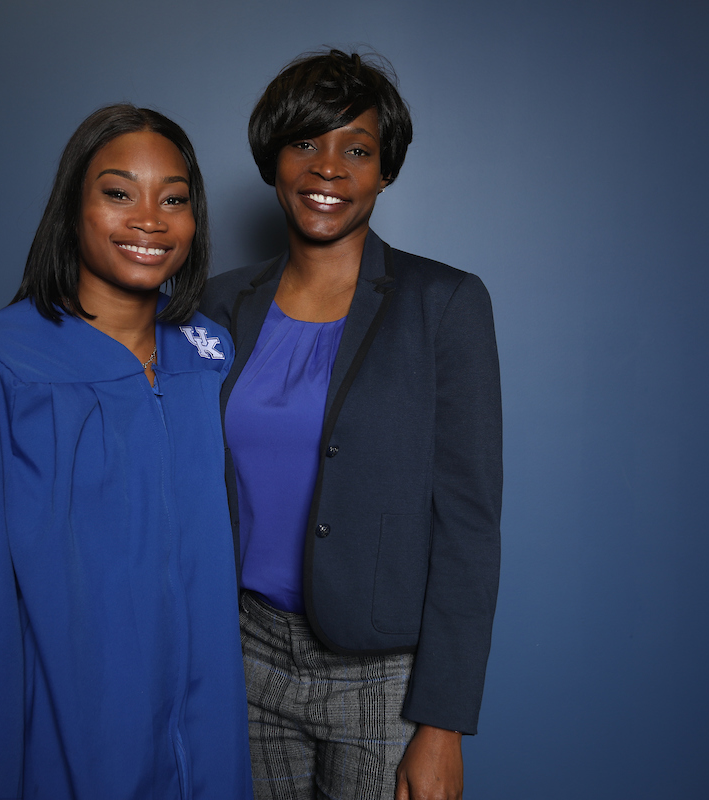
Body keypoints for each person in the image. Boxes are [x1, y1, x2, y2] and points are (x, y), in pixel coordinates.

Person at [0, 104, 253, 800]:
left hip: (203, 730)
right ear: (72, 209)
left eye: (174, 199)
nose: (149, 218)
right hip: (69, 726)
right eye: (118, 193)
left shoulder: (207, 355)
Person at [200, 50, 502, 800]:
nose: (327, 168)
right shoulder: (217, 305)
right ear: (274, 159)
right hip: (242, 656)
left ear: (386, 170)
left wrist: (442, 723)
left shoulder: (445, 305)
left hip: (380, 677)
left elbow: (469, 523)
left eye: (356, 149)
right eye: (305, 142)